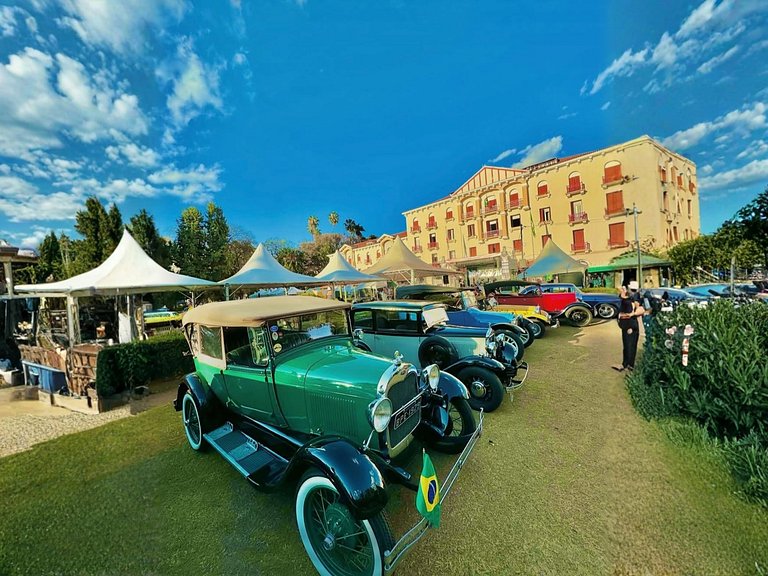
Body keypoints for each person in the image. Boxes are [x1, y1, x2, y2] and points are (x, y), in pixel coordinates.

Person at [613, 281, 645, 372]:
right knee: (630, 344)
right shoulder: (634, 297)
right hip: (630, 324)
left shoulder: (631, 299)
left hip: (629, 324)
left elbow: (631, 310)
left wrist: (629, 314)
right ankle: (628, 364)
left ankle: (628, 365)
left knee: (628, 344)